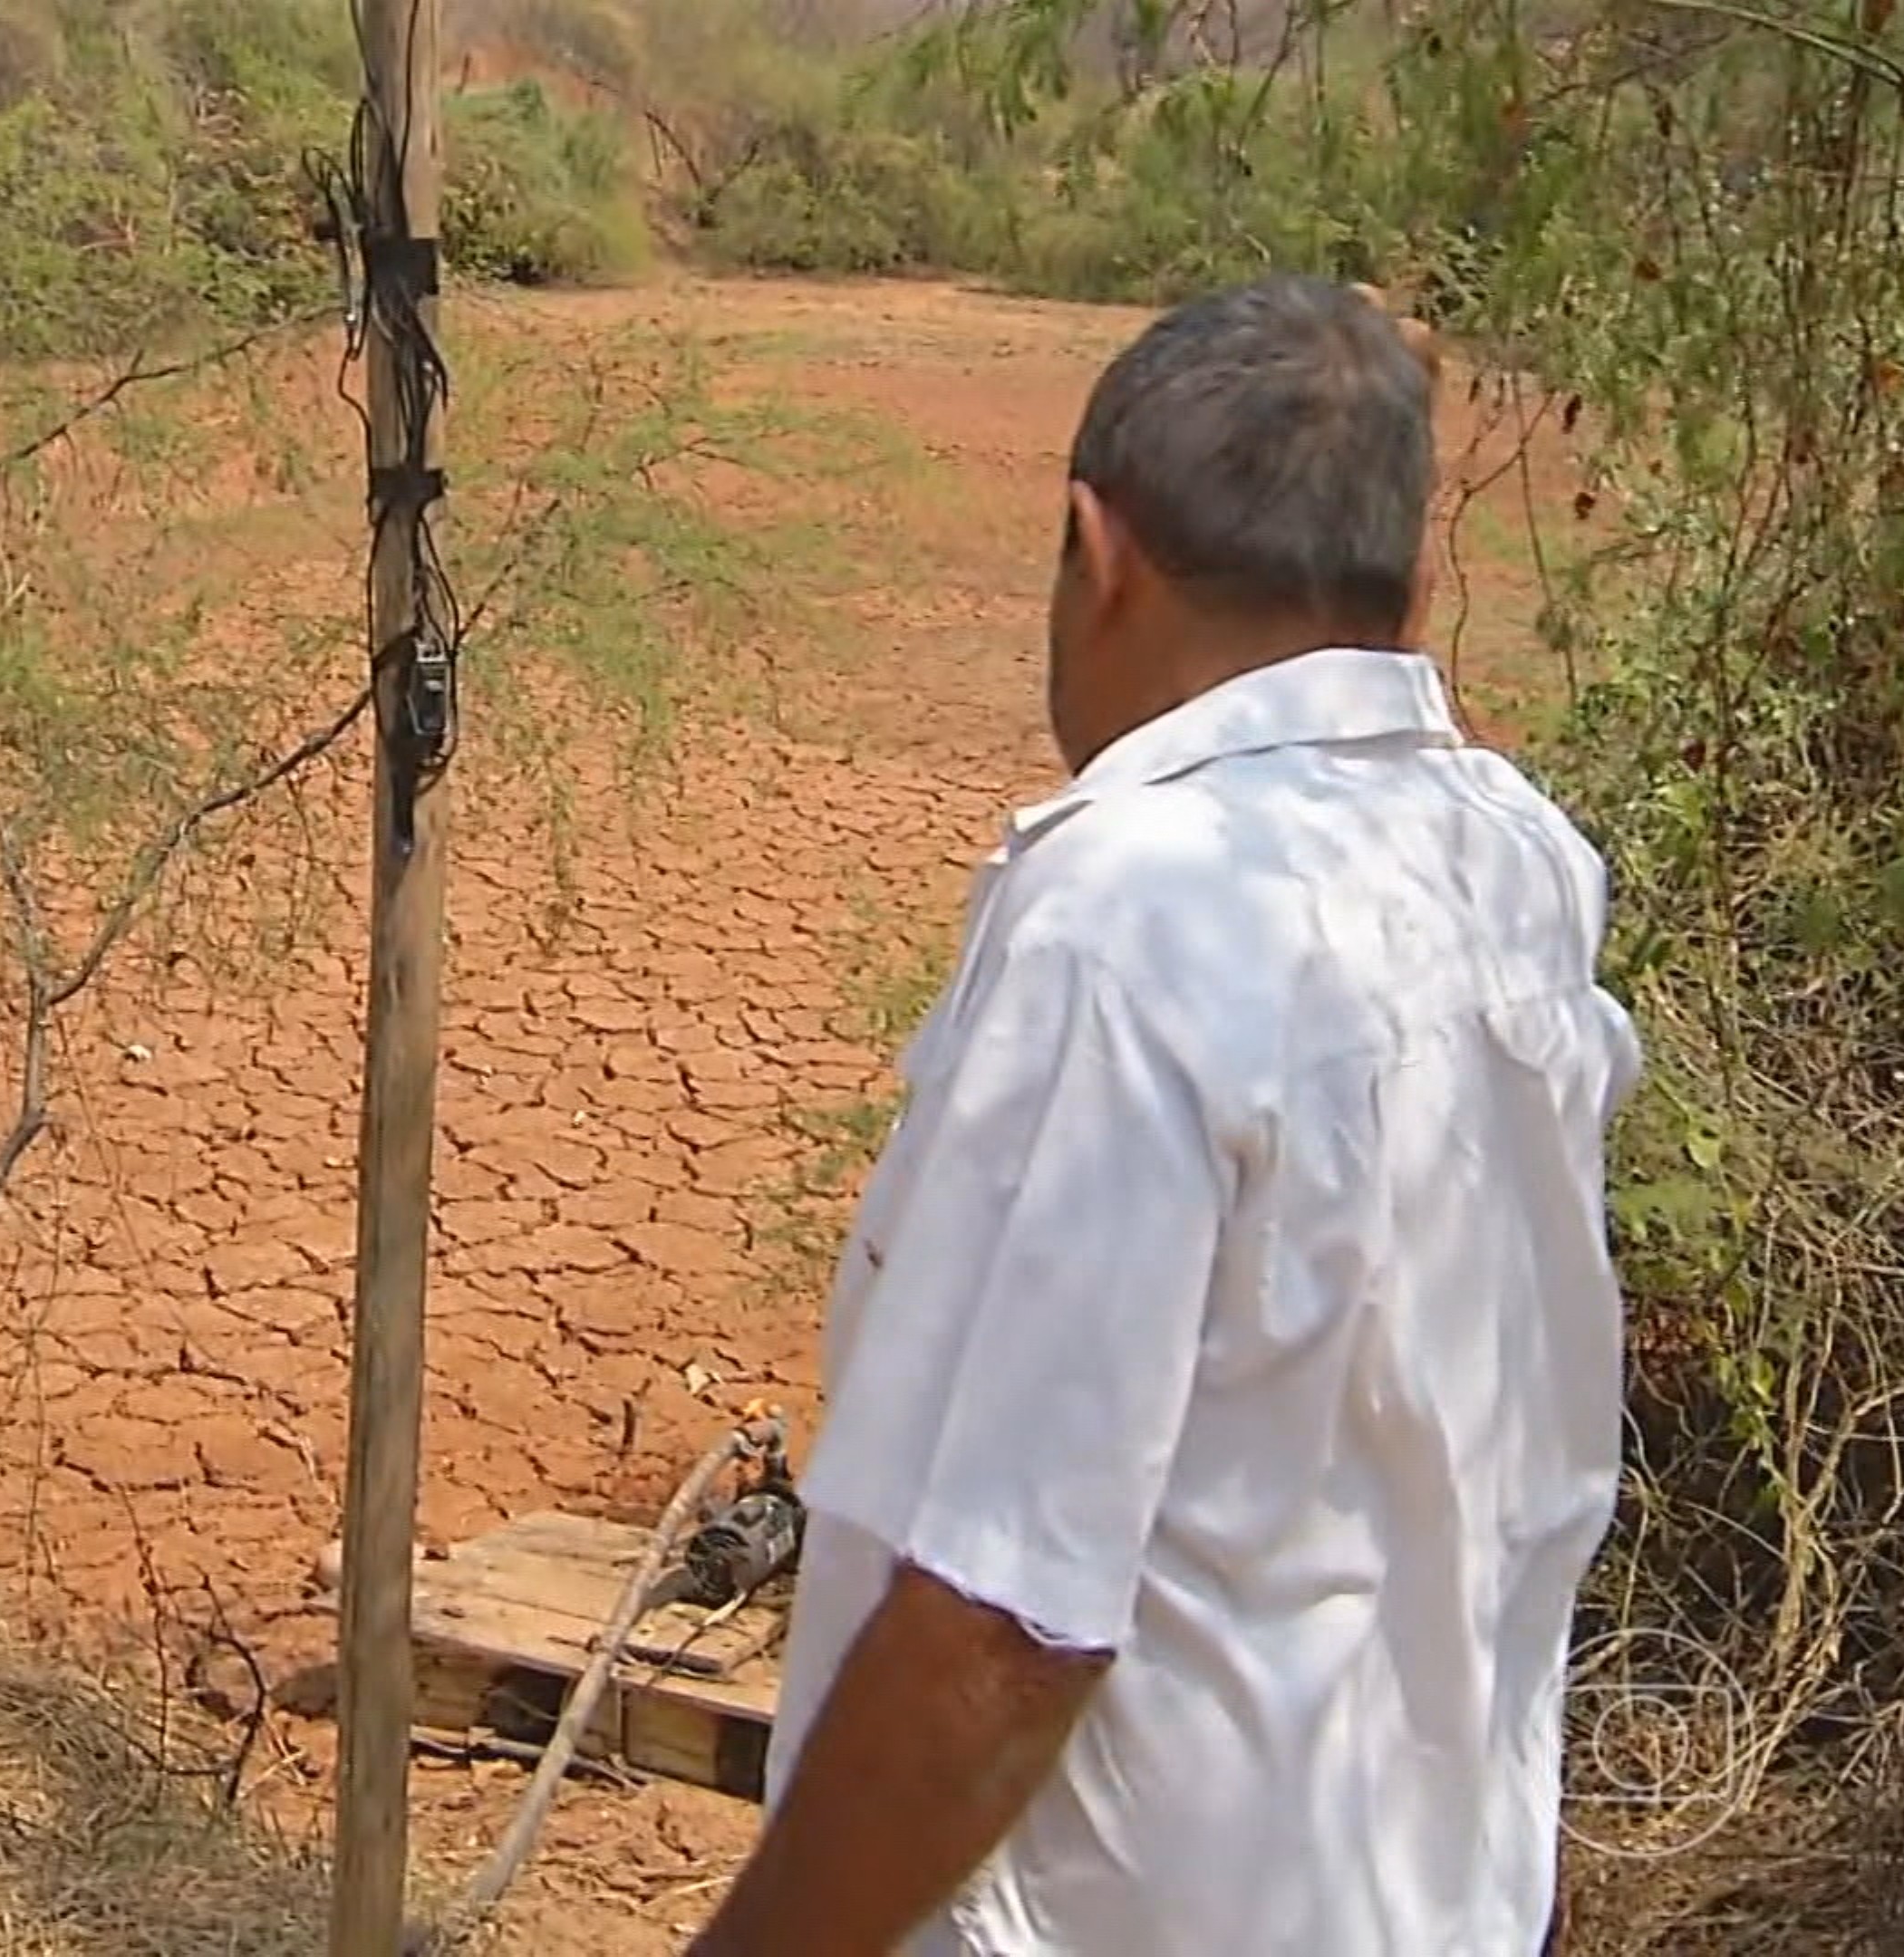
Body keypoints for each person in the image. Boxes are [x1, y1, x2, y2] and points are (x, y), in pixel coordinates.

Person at [682, 277, 1641, 1956]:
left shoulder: (1133, 920)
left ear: (1093, 548)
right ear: (1407, 593)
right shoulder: (1514, 864)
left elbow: (999, 1631)